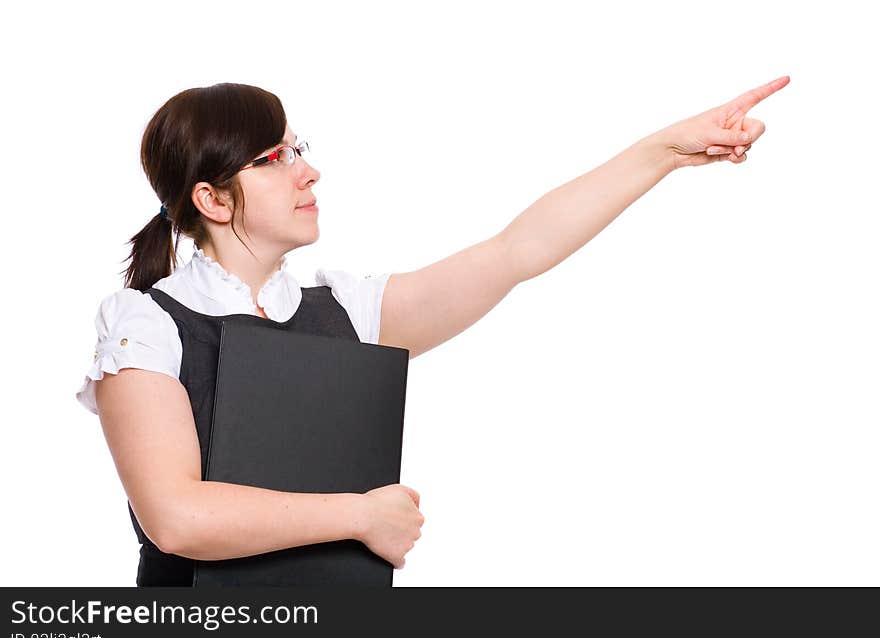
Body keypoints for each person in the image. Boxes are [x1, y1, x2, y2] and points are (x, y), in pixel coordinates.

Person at [76, 77, 789, 586]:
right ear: (211, 196)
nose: (309, 171)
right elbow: (177, 518)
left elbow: (517, 251)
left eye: (301, 148)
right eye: (277, 157)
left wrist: (666, 150)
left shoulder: (343, 311)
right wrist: (362, 516)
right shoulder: (147, 323)